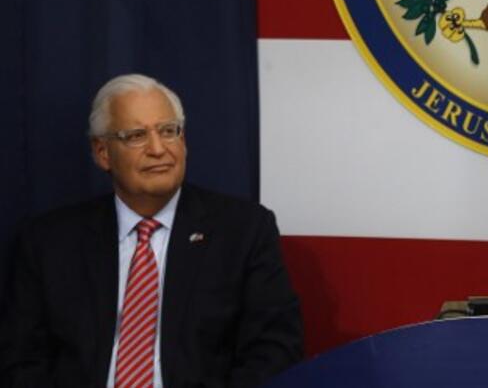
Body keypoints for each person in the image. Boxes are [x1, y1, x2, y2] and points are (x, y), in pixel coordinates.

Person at [0, 74, 303, 387]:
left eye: (169, 131)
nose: (158, 149)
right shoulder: (48, 242)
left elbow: (274, 348)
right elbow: (21, 359)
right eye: (136, 136)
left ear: (183, 141)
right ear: (102, 152)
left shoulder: (243, 231)